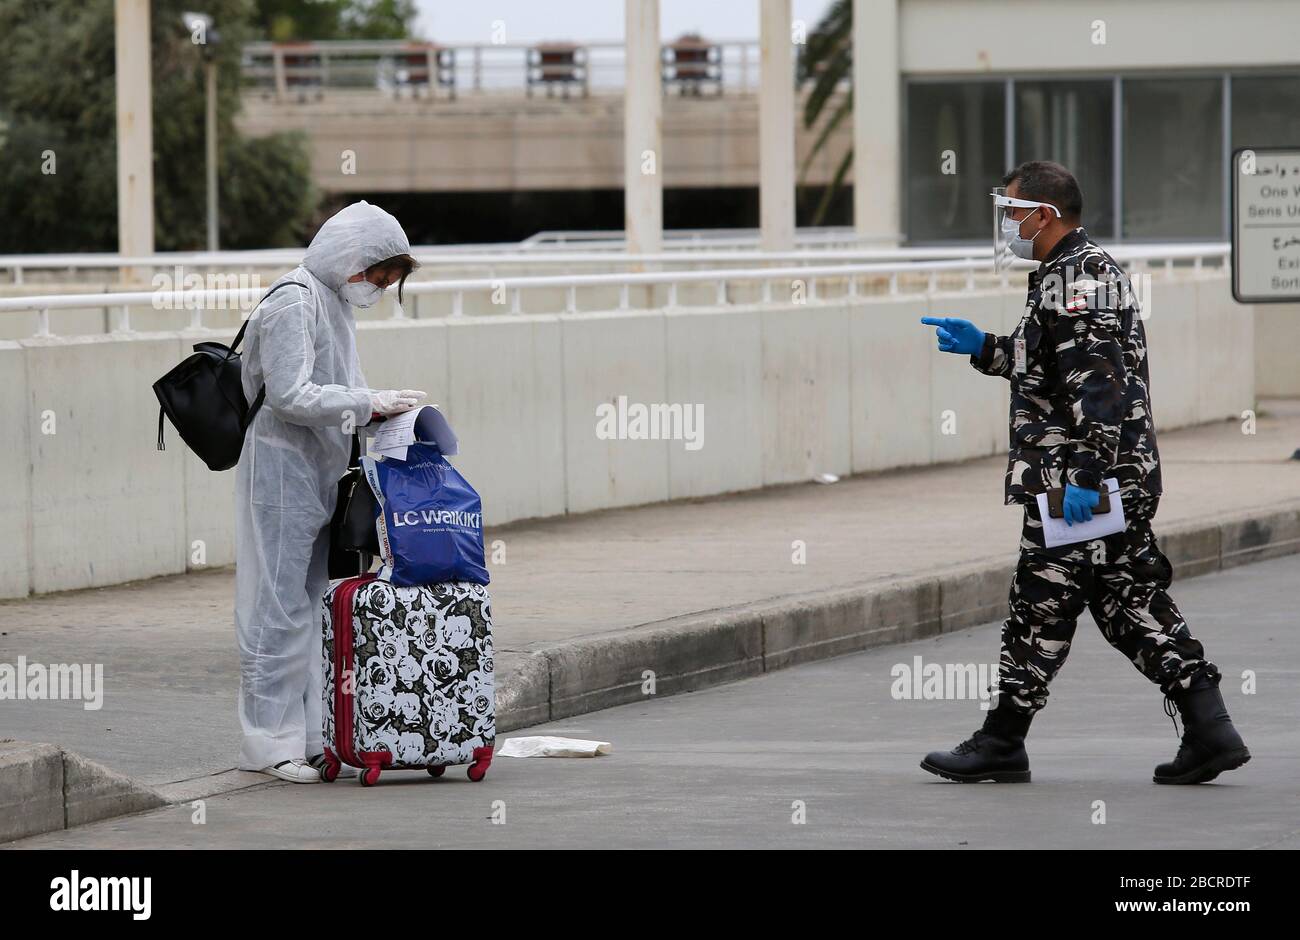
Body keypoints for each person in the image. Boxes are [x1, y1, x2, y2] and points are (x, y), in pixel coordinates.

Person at [918, 161, 1249, 785]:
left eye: (1013, 212)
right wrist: (983, 346)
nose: (1006, 224)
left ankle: (1002, 741)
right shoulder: (1067, 273)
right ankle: (1210, 727)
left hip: (1083, 482)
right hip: (1103, 479)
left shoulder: (1079, 277)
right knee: (1129, 601)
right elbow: (1047, 363)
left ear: (1043, 214)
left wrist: (1088, 479)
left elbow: (1101, 388)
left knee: (1039, 606)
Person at [234, 201, 428, 783]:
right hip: (282, 474)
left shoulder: (333, 303)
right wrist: (367, 403)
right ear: (353, 258)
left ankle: (317, 733)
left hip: (319, 473)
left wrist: (384, 411)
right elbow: (291, 395)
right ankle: (270, 743)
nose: (376, 287)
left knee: (315, 604)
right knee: (277, 606)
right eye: (378, 274)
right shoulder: (294, 299)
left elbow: (341, 387)